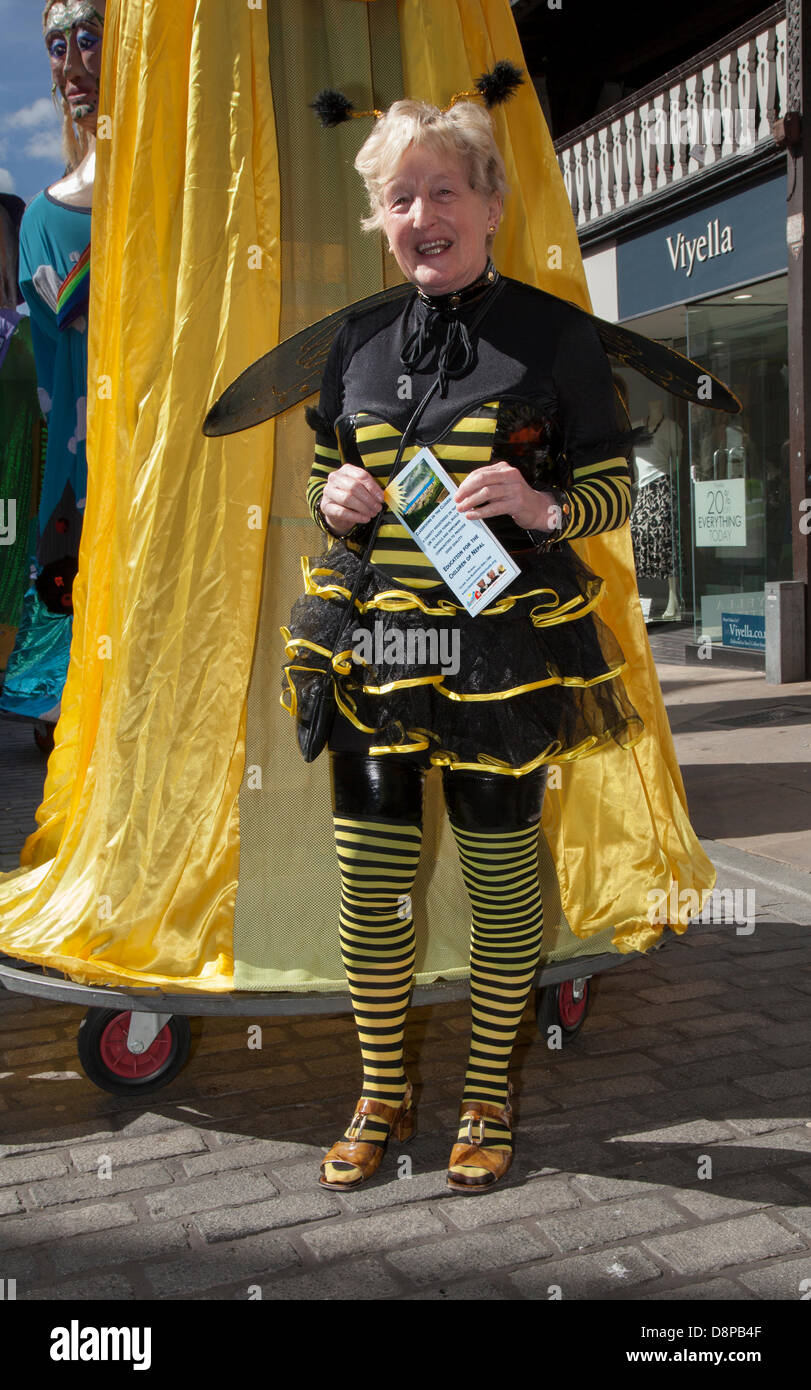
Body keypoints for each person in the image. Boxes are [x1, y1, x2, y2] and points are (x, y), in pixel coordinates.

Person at [282, 96, 644, 1193]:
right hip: (379, 653)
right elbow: (323, 476)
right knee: (372, 890)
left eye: (445, 190)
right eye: (401, 197)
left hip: (502, 656)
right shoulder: (354, 340)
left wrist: (541, 508)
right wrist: (334, 495)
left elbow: (612, 489)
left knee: (497, 888)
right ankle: (379, 1093)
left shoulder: (552, 335)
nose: (423, 213)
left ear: (490, 204)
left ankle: (485, 1094)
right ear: (379, 219)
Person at [0, 2, 105, 736]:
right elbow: (49, 379)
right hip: (78, 459)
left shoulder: (179, 198)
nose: (72, 64)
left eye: (91, 41)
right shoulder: (42, 217)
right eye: (57, 46)